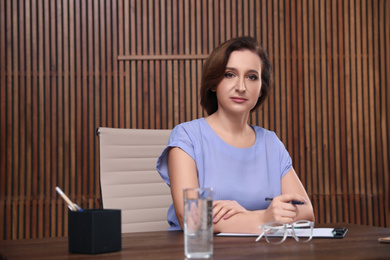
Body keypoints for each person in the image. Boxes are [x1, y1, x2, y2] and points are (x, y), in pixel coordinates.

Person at [156, 36, 314, 234]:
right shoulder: (187, 136)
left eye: (252, 77)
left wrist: (247, 214)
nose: (241, 87)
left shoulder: (270, 143)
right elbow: (192, 219)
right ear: (213, 83)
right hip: (200, 253)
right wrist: (263, 217)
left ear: (261, 89)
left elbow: (306, 212)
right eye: (230, 74)